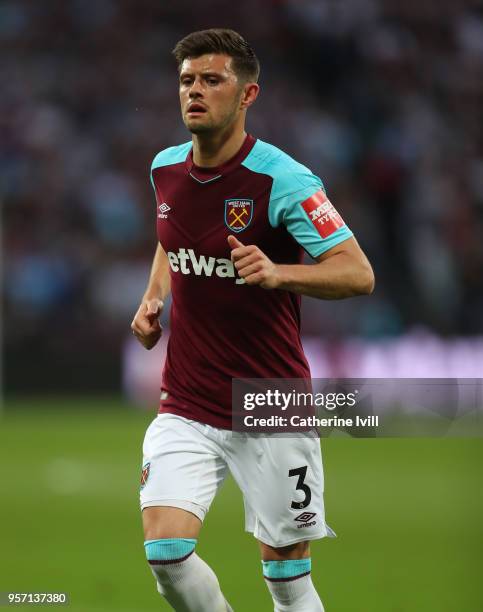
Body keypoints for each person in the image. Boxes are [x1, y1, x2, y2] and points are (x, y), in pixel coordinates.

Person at [131, 28, 374, 612]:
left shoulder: (284, 180)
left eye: (212, 80)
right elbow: (174, 238)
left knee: (287, 580)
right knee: (166, 553)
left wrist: (279, 272)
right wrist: (151, 298)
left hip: (272, 401)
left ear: (247, 95)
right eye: (187, 80)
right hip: (187, 400)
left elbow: (357, 272)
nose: (195, 90)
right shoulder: (165, 169)